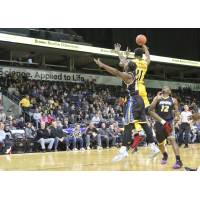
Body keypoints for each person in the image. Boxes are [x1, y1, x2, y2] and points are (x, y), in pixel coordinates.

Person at [94, 44, 160, 162]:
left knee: (127, 124)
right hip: (140, 98)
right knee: (144, 123)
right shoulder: (135, 69)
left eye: (126, 64)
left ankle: (123, 151)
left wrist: (102, 65)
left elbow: (115, 71)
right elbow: (125, 61)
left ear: (128, 67)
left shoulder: (128, 75)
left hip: (133, 100)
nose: (125, 64)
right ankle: (153, 146)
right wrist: (119, 52)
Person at [120, 44, 172, 148]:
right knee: (148, 111)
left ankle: (136, 135)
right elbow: (148, 58)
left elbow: (121, 63)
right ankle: (164, 123)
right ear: (142, 55)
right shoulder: (144, 63)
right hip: (142, 88)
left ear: (134, 55)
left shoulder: (131, 62)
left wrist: (124, 55)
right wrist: (146, 49)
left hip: (133, 88)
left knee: (128, 114)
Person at [149, 86, 183, 169]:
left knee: (172, 139)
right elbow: (150, 109)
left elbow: (177, 113)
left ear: (170, 91)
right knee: (160, 144)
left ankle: (178, 160)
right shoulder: (157, 98)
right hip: (159, 122)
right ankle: (165, 155)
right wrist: (156, 99)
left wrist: (177, 113)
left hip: (169, 122)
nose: (165, 87)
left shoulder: (173, 100)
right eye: (164, 86)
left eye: (167, 87)